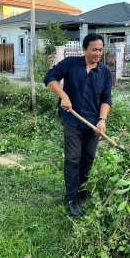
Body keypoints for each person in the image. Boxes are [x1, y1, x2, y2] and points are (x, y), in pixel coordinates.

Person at [44, 33, 113, 216]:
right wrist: (63, 96)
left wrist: (102, 119)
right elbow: (49, 79)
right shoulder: (71, 64)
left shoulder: (105, 72)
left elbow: (106, 99)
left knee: (88, 158)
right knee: (73, 158)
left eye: (100, 50)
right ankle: (71, 197)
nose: (98, 53)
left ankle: (83, 190)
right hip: (72, 120)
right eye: (94, 50)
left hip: (93, 123)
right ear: (84, 49)